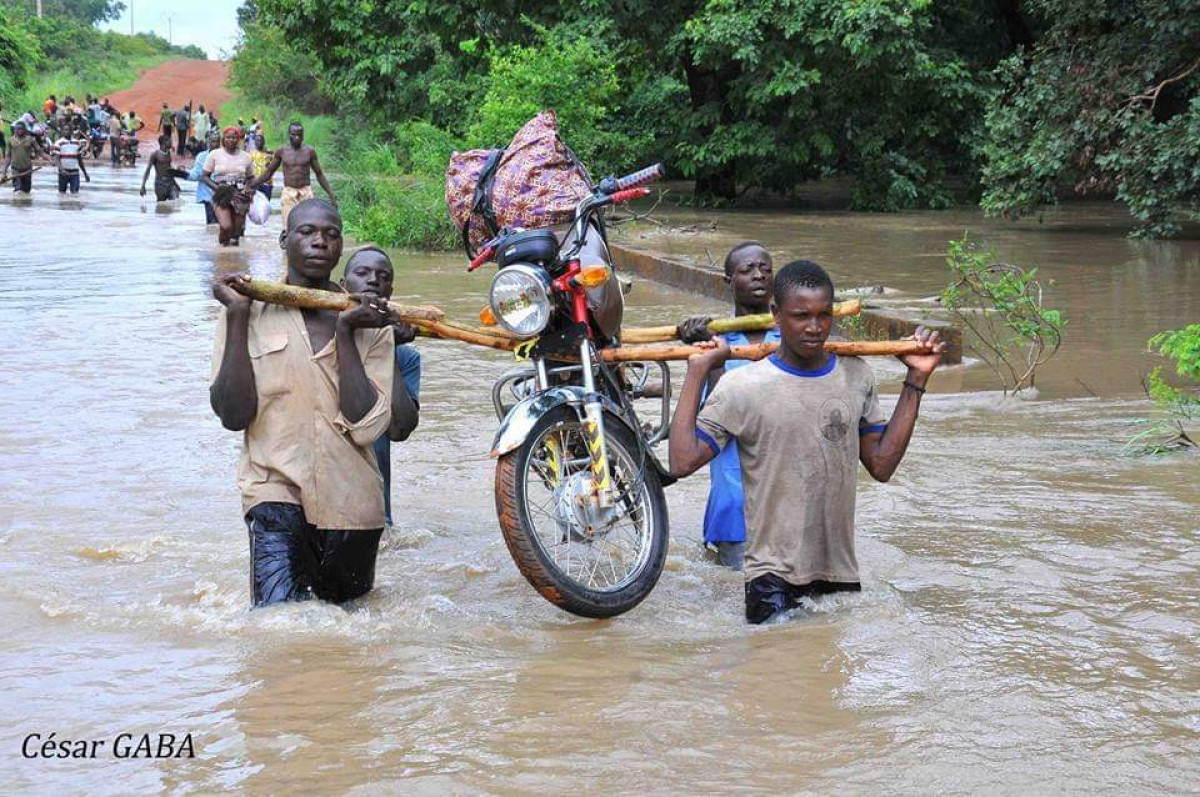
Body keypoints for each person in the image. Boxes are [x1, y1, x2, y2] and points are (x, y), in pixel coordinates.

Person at [669, 260, 945, 625]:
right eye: (801, 316)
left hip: (839, 571)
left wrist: (916, 381)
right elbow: (681, 461)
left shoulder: (856, 375)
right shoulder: (743, 386)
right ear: (776, 315)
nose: (814, 328)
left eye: (823, 315)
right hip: (772, 577)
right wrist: (697, 372)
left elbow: (881, 465)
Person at [210, 199, 395, 607]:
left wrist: (347, 332)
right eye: (307, 232)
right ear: (283, 240)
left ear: (340, 247)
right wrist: (238, 315)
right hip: (272, 493)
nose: (319, 242)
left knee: (348, 637)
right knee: (279, 626)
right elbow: (233, 414)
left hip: (353, 505)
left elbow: (366, 426)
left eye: (331, 235)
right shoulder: (247, 310)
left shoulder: (371, 322)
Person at [674, 242, 777, 570]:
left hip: (791, 504)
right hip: (735, 506)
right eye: (747, 270)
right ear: (728, 281)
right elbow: (721, 411)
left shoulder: (797, 337)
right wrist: (707, 353)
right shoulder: (715, 343)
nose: (758, 275)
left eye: (765, 268)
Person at [341, 246, 421, 527]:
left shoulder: (405, 356)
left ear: (391, 292)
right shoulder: (320, 340)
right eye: (362, 273)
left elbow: (400, 430)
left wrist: (389, 351)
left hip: (373, 516)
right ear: (343, 286)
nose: (374, 280)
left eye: (383, 276)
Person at [252, 122, 337, 227]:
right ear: (289, 135)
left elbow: (319, 174)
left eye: (299, 135)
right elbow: (269, 172)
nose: (296, 137)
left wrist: (332, 196)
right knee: (288, 227)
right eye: (293, 134)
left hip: (306, 192)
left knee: (308, 225)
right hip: (289, 193)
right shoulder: (282, 151)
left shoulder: (309, 151)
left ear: (303, 136)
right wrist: (253, 184)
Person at [202, 127, 256, 245]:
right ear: (223, 139)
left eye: (234, 137)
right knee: (226, 226)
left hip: (240, 194)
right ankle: (222, 251)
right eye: (228, 137)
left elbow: (251, 178)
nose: (231, 140)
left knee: (237, 232)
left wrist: (249, 189)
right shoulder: (214, 154)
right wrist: (217, 188)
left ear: (238, 139)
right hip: (222, 194)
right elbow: (204, 176)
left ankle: (233, 260)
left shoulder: (246, 157)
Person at [188, 132, 221, 224]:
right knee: (212, 223)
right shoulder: (201, 156)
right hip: (206, 194)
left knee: (221, 223)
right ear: (208, 142)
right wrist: (186, 174)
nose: (216, 144)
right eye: (213, 141)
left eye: (217, 141)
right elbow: (195, 174)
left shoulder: (225, 156)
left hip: (221, 194)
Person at [3, 122, 43, 194]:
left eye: (22, 129)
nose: (20, 131)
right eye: (18, 129)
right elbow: (8, 157)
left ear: (25, 130)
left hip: (27, 169)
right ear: (15, 130)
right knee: (18, 190)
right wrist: (4, 172)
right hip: (15, 169)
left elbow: (39, 151)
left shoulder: (30, 140)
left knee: (27, 190)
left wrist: (48, 158)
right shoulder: (10, 140)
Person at [141, 135, 181, 201]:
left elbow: (168, 169)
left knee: (175, 201)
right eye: (169, 141)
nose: (171, 142)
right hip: (160, 184)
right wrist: (143, 185)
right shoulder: (155, 154)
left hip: (170, 182)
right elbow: (148, 170)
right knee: (161, 206)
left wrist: (175, 183)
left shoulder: (168, 153)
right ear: (163, 142)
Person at [53, 129, 90, 194]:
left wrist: (85, 173)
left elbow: (79, 159)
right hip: (63, 173)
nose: (66, 131)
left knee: (75, 193)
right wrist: (62, 170)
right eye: (65, 130)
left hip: (75, 173)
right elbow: (56, 159)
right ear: (63, 131)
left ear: (71, 132)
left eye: (68, 130)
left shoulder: (77, 143)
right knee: (62, 193)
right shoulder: (58, 143)